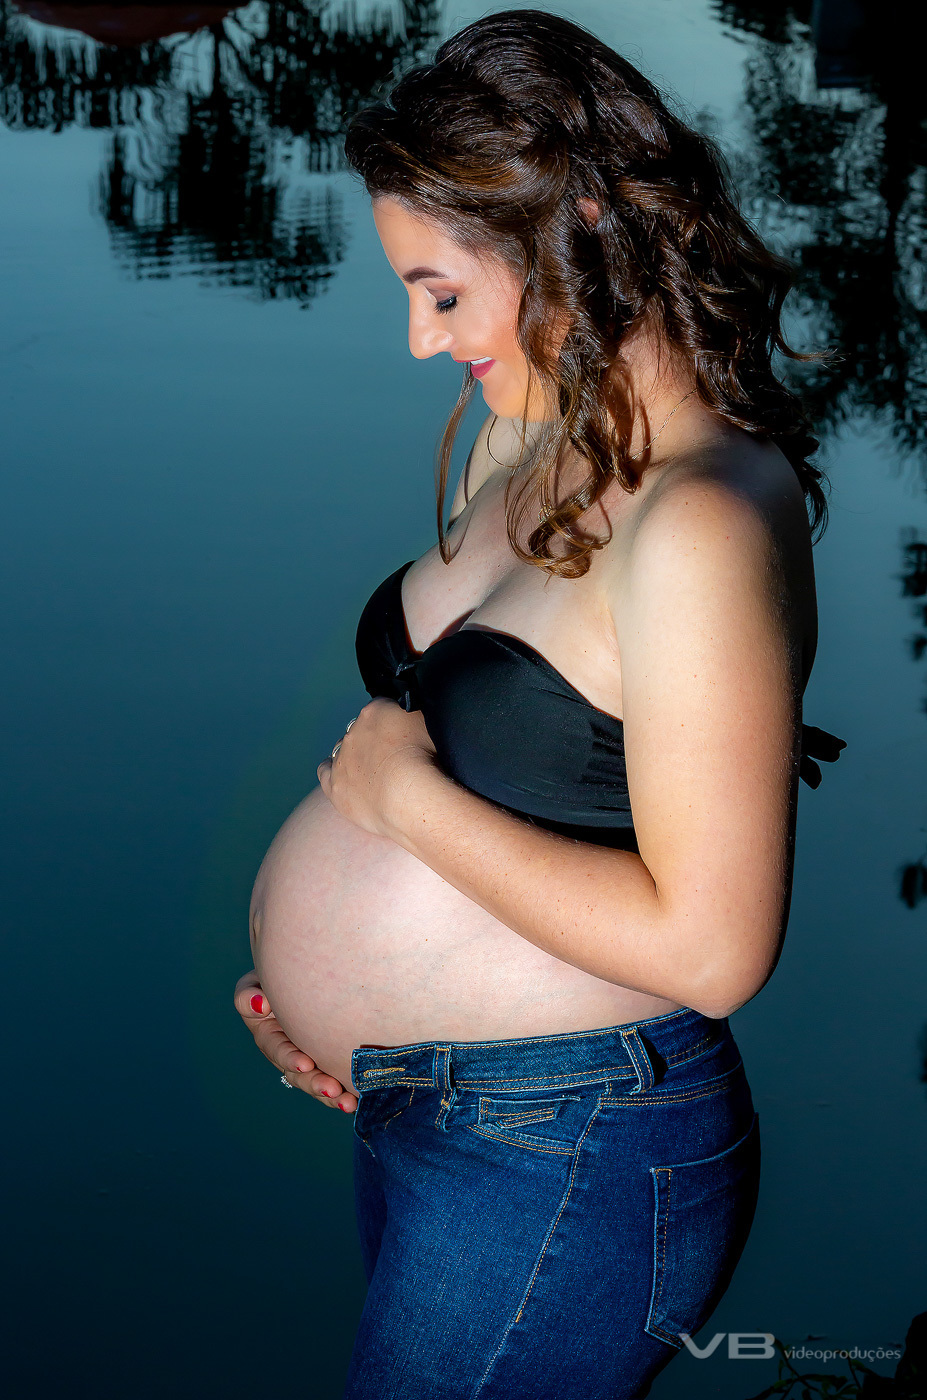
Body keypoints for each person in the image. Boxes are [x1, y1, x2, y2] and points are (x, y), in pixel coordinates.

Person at [233, 11, 845, 1398]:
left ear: (573, 227)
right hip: (431, 1111)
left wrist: (405, 810)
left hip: (570, 1143)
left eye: (442, 293)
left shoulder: (702, 519)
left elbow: (713, 949)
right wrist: (319, 991)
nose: (416, 338)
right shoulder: (539, 434)